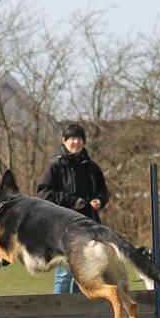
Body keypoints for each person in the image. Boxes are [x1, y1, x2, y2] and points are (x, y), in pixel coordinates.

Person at [36, 123, 109, 294]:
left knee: (84, 272)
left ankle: (78, 309)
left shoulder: (92, 167)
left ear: (84, 141)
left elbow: (103, 192)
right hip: (63, 227)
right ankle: (59, 309)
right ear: (64, 141)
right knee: (64, 273)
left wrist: (99, 200)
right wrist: (73, 201)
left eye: (79, 138)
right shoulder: (55, 165)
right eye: (71, 139)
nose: (75, 142)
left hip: (89, 226)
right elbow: (43, 193)